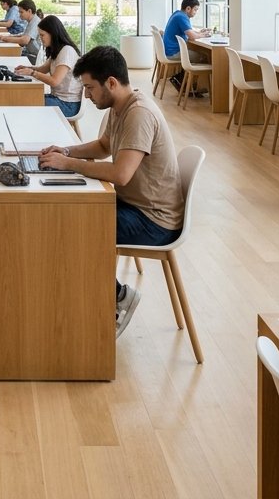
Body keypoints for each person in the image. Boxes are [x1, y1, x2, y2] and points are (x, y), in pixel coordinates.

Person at [38, 45, 184, 339]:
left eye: (91, 88)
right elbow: (104, 147)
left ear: (112, 83)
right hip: (135, 205)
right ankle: (88, 300)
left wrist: (69, 163)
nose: (88, 96)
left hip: (153, 221)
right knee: (67, 213)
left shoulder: (139, 114)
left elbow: (121, 174)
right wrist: (66, 150)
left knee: (74, 226)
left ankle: (116, 298)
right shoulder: (122, 105)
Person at [14, 14, 82, 117]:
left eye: (42, 35)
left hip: (68, 105)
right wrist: (28, 68)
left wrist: (32, 73)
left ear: (53, 33)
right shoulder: (58, 50)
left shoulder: (67, 51)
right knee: (26, 98)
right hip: (57, 99)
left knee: (27, 101)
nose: (40, 38)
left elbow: (54, 81)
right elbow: (43, 69)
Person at [163, 0, 211, 91]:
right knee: (205, 57)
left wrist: (200, 33)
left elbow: (190, 32)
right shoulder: (182, 17)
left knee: (198, 54)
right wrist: (204, 35)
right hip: (174, 52)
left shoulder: (177, 14)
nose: (195, 13)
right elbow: (192, 36)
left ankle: (183, 82)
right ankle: (192, 87)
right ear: (188, 8)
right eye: (195, 10)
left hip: (170, 50)